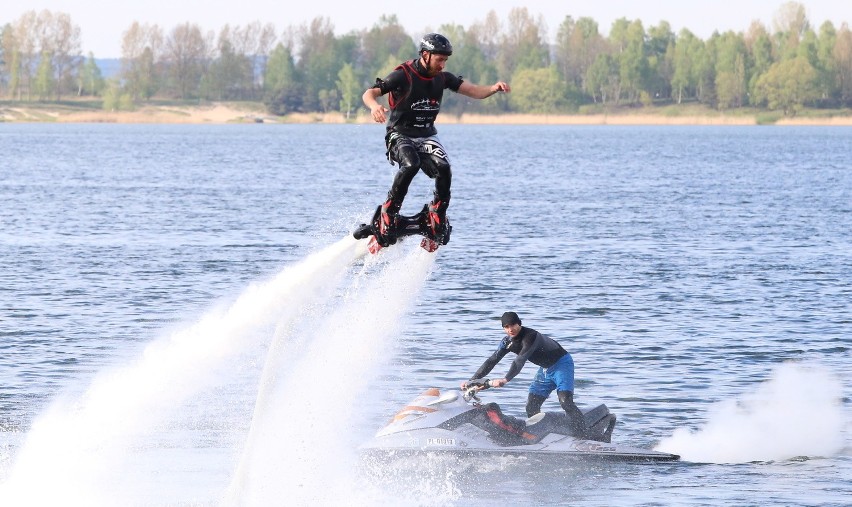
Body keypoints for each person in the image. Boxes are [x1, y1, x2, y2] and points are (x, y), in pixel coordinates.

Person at [362, 33, 510, 244]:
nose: (442, 64)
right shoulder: (403, 74)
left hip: (427, 135)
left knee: (444, 168)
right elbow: (370, 93)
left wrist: (494, 88)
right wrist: (375, 106)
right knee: (411, 164)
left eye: (445, 60)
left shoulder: (443, 78)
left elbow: (474, 91)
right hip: (400, 134)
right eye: (439, 59)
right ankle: (389, 212)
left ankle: (437, 214)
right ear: (425, 55)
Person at [462, 311, 590, 438]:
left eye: (513, 325)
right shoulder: (507, 342)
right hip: (545, 370)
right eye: (506, 327)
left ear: (519, 323)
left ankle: (582, 435)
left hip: (562, 364)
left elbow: (520, 361)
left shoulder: (530, 336)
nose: (510, 329)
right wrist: (472, 381)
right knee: (531, 406)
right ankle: (539, 436)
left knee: (565, 402)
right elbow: (492, 360)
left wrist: (506, 379)